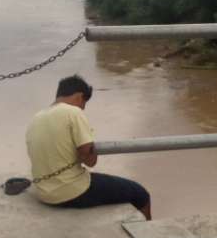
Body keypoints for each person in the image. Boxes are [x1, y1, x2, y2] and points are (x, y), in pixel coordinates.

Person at [25, 74, 152, 220]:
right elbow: (90, 160)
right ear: (79, 97)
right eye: (84, 103)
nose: (83, 108)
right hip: (71, 192)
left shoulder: (36, 118)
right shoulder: (73, 112)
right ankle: (150, 235)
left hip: (44, 193)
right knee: (140, 193)